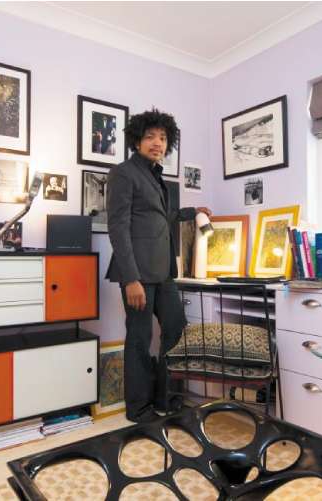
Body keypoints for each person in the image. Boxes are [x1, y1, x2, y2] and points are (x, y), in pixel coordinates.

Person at [106, 108, 211, 423]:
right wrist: (131, 279)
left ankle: (167, 399)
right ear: (137, 140)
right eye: (150, 136)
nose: (157, 143)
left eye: (163, 138)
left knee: (176, 331)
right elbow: (118, 227)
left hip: (164, 271)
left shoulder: (156, 176)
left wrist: (193, 211)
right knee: (139, 338)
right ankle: (138, 409)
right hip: (137, 274)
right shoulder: (123, 173)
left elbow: (162, 216)